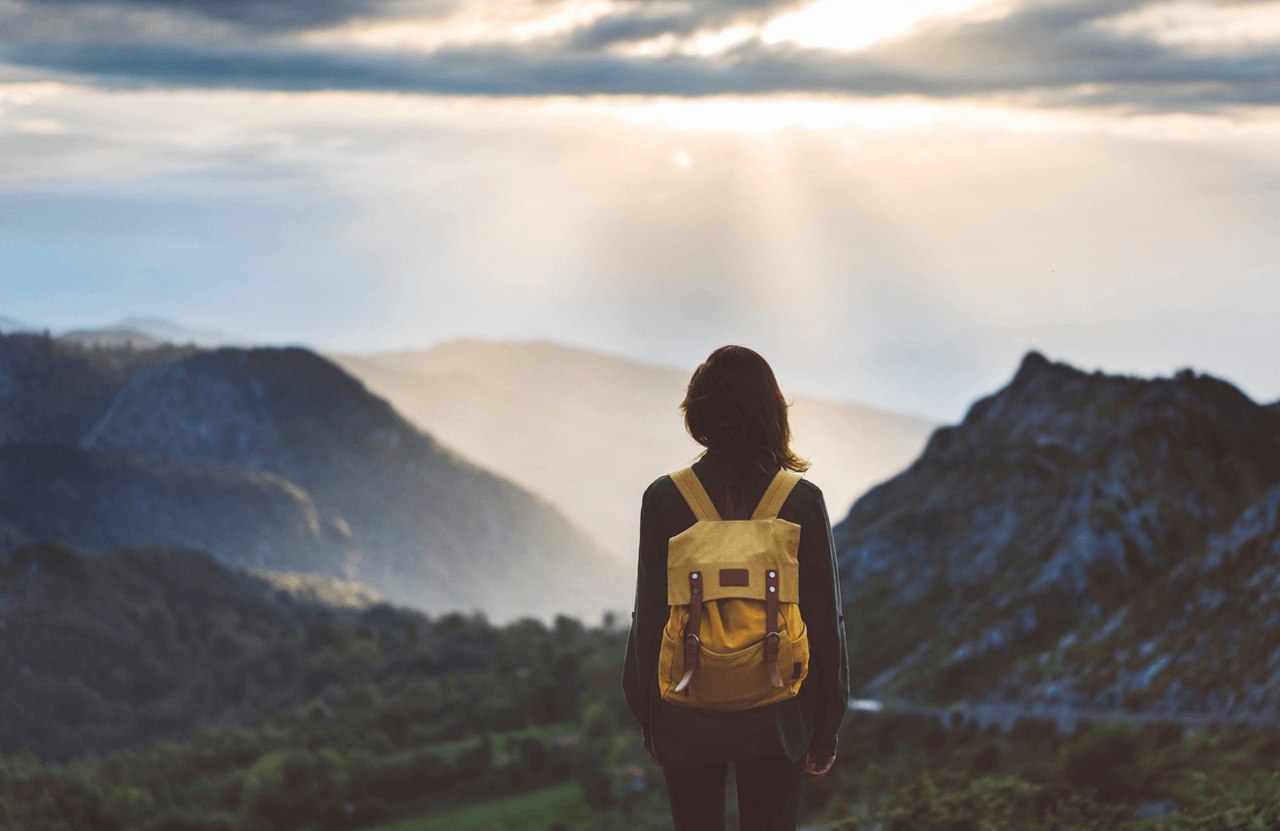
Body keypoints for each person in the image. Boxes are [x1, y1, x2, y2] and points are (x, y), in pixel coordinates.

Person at [622, 344, 850, 831]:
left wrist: (649, 717)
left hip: (684, 707)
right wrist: (826, 728)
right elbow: (825, 621)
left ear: (699, 411)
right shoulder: (802, 501)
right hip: (779, 713)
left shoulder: (664, 498)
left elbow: (649, 615)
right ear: (771, 411)